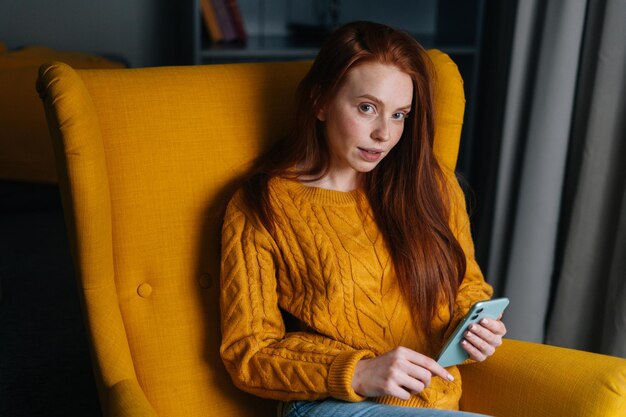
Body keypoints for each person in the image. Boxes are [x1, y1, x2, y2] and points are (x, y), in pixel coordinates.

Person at [219, 21, 506, 417]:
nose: (383, 134)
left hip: (435, 403)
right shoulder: (262, 204)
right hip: (330, 403)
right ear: (320, 102)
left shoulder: (431, 186)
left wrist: (474, 330)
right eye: (366, 108)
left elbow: (466, 287)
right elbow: (248, 351)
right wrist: (358, 371)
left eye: (399, 115)